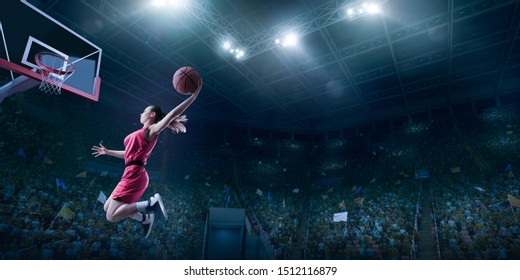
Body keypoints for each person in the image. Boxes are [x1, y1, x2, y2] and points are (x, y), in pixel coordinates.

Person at [91, 80, 202, 238]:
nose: (140, 113)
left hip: (136, 174)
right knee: (106, 207)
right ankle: (145, 219)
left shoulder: (150, 131)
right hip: (130, 172)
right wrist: (107, 152)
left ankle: (152, 203)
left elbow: (171, 115)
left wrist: (193, 96)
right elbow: (128, 153)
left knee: (111, 216)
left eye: (144, 111)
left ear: (152, 115)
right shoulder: (138, 134)